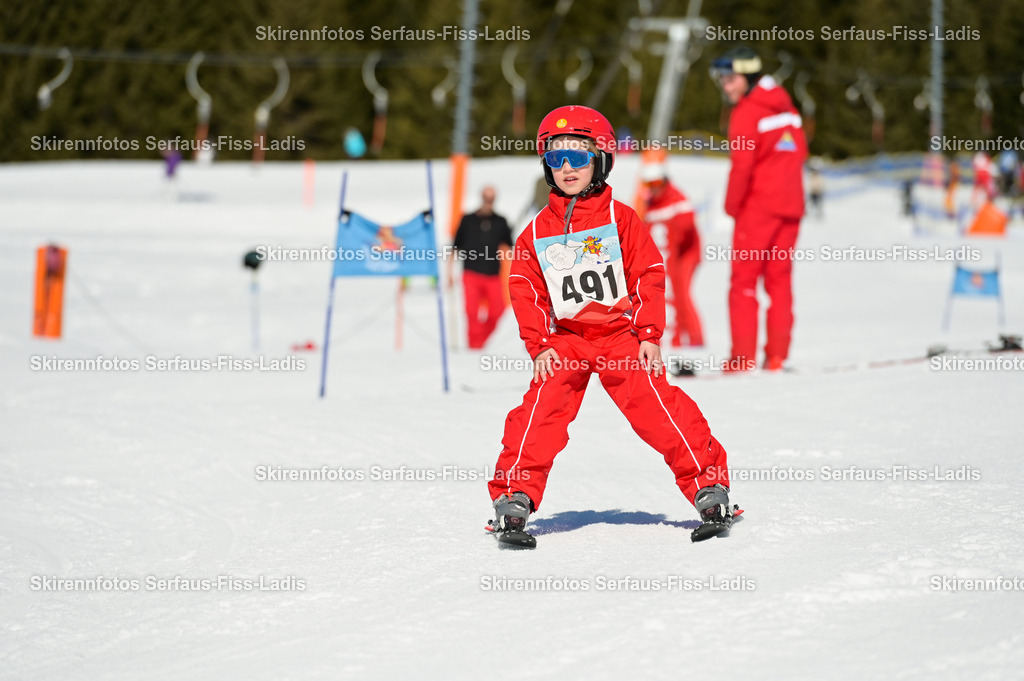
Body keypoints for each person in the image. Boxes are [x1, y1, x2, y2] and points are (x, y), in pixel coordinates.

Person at [487, 105, 732, 543]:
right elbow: (525, 287)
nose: (566, 168)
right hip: (567, 340)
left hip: (620, 334)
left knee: (658, 407)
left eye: (578, 157)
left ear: (599, 160)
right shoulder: (536, 231)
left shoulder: (622, 219)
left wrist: (648, 334)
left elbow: (649, 274)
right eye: (556, 158)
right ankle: (514, 497)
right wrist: (540, 343)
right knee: (541, 410)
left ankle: (708, 487)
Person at [711, 46, 807, 372]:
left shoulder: (747, 112)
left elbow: (742, 166)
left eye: (730, 78)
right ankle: (777, 357)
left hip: (758, 208)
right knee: (779, 282)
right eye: (722, 78)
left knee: (744, 283)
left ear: (748, 77)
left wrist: (731, 207)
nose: (725, 85)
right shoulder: (787, 107)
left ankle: (742, 359)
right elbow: (800, 151)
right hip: (791, 206)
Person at [640, 165, 703, 348]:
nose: (654, 187)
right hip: (668, 256)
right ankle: (674, 339)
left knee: (681, 294)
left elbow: (687, 226)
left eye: (658, 183)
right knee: (667, 295)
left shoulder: (678, 198)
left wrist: (673, 237)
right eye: (649, 184)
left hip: (685, 255)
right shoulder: (651, 204)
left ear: (666, 181)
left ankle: (695, 340)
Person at [452, 187, 513, 349]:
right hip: (471, 272)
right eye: (486, 198)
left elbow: (509, 247)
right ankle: (474, 345)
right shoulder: (467, 219)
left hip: (493, 273)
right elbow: (455, 246)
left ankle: (479, 341)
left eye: (491, 198)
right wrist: (449, 273)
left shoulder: (501, 221)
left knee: (497, 311)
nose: (488, 202)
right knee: (471, 312)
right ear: (481, 198)